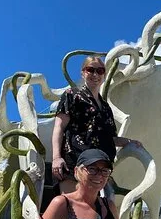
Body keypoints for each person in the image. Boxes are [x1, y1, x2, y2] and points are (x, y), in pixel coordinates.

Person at [52, 56, 141, 194]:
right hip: (75, 162)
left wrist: (130, 142)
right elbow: (59, 127)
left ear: (104, 75)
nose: (95, 74)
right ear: (83, 72)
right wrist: (56, 158)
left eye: (100, 71)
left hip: (99, 168)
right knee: (70, 205)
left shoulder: (105, 107)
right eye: (90, 70)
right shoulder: (72, 95)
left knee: (91, 207)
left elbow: (110, 138)